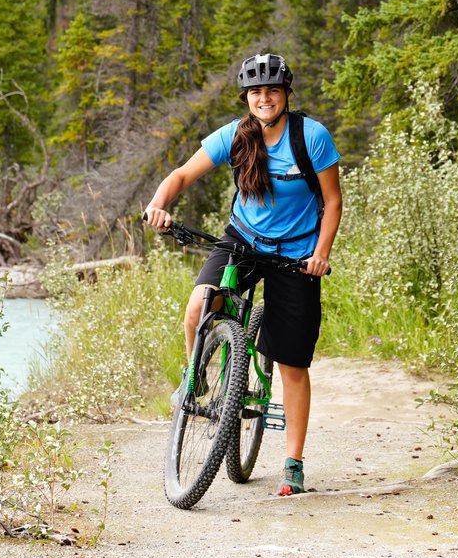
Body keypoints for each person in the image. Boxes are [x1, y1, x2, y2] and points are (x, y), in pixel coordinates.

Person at [143, 52, 341, 496]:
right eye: (256, 92)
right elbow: (181, 174)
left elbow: (332, 202)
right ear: (247, 98)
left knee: (292, 363)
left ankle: (293, 462)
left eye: (272, 90)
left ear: (286, 94)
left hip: (298, 254)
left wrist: (322, 253)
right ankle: (194, 379)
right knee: (199, 305)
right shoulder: (235, 136)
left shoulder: (311, 137)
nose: (264, 98)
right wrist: (160, 204)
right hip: (244, 240)